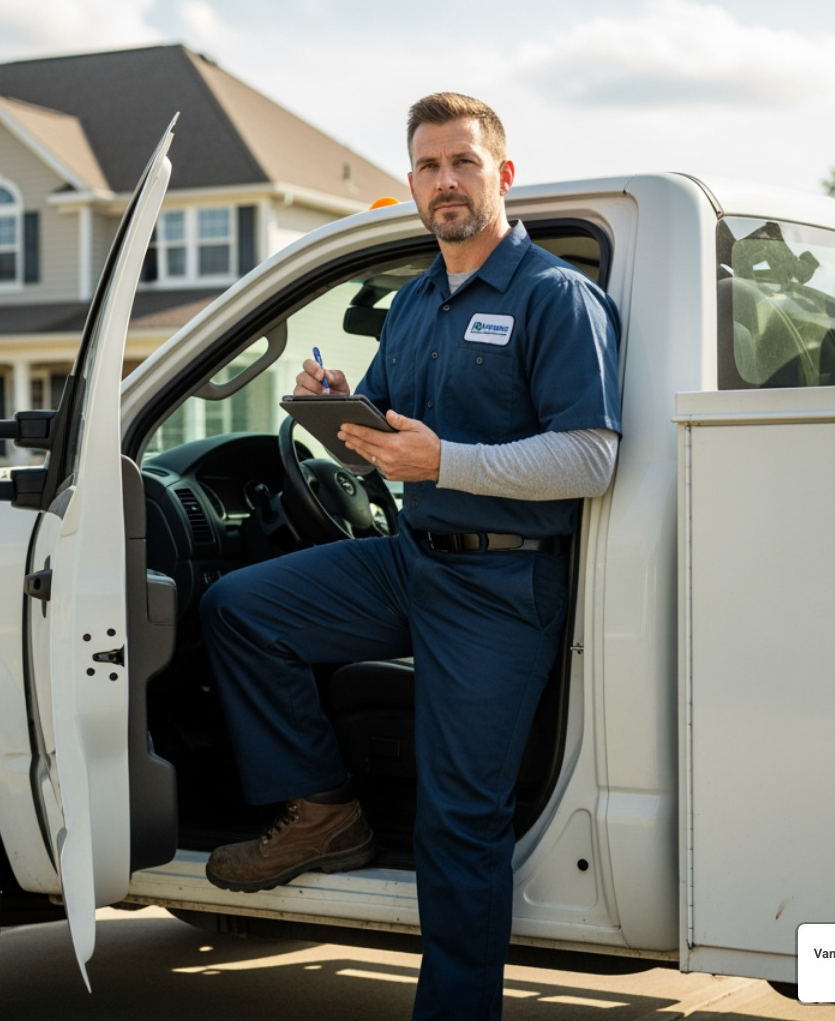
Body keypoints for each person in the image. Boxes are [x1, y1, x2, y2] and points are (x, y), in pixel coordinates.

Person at [200, 92, 622, 1020]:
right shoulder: (420, 301)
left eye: (464, 163)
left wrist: (449, 461)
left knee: (459, 821)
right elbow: (383, 435)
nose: (446, 182)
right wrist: (335, 404)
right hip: (411, 558)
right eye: (429, 166)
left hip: (503, 582)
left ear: (502, 176)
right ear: (414, 182)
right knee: (241, 610)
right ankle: (323, 812)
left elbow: (592, 455)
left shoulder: (557, 298)